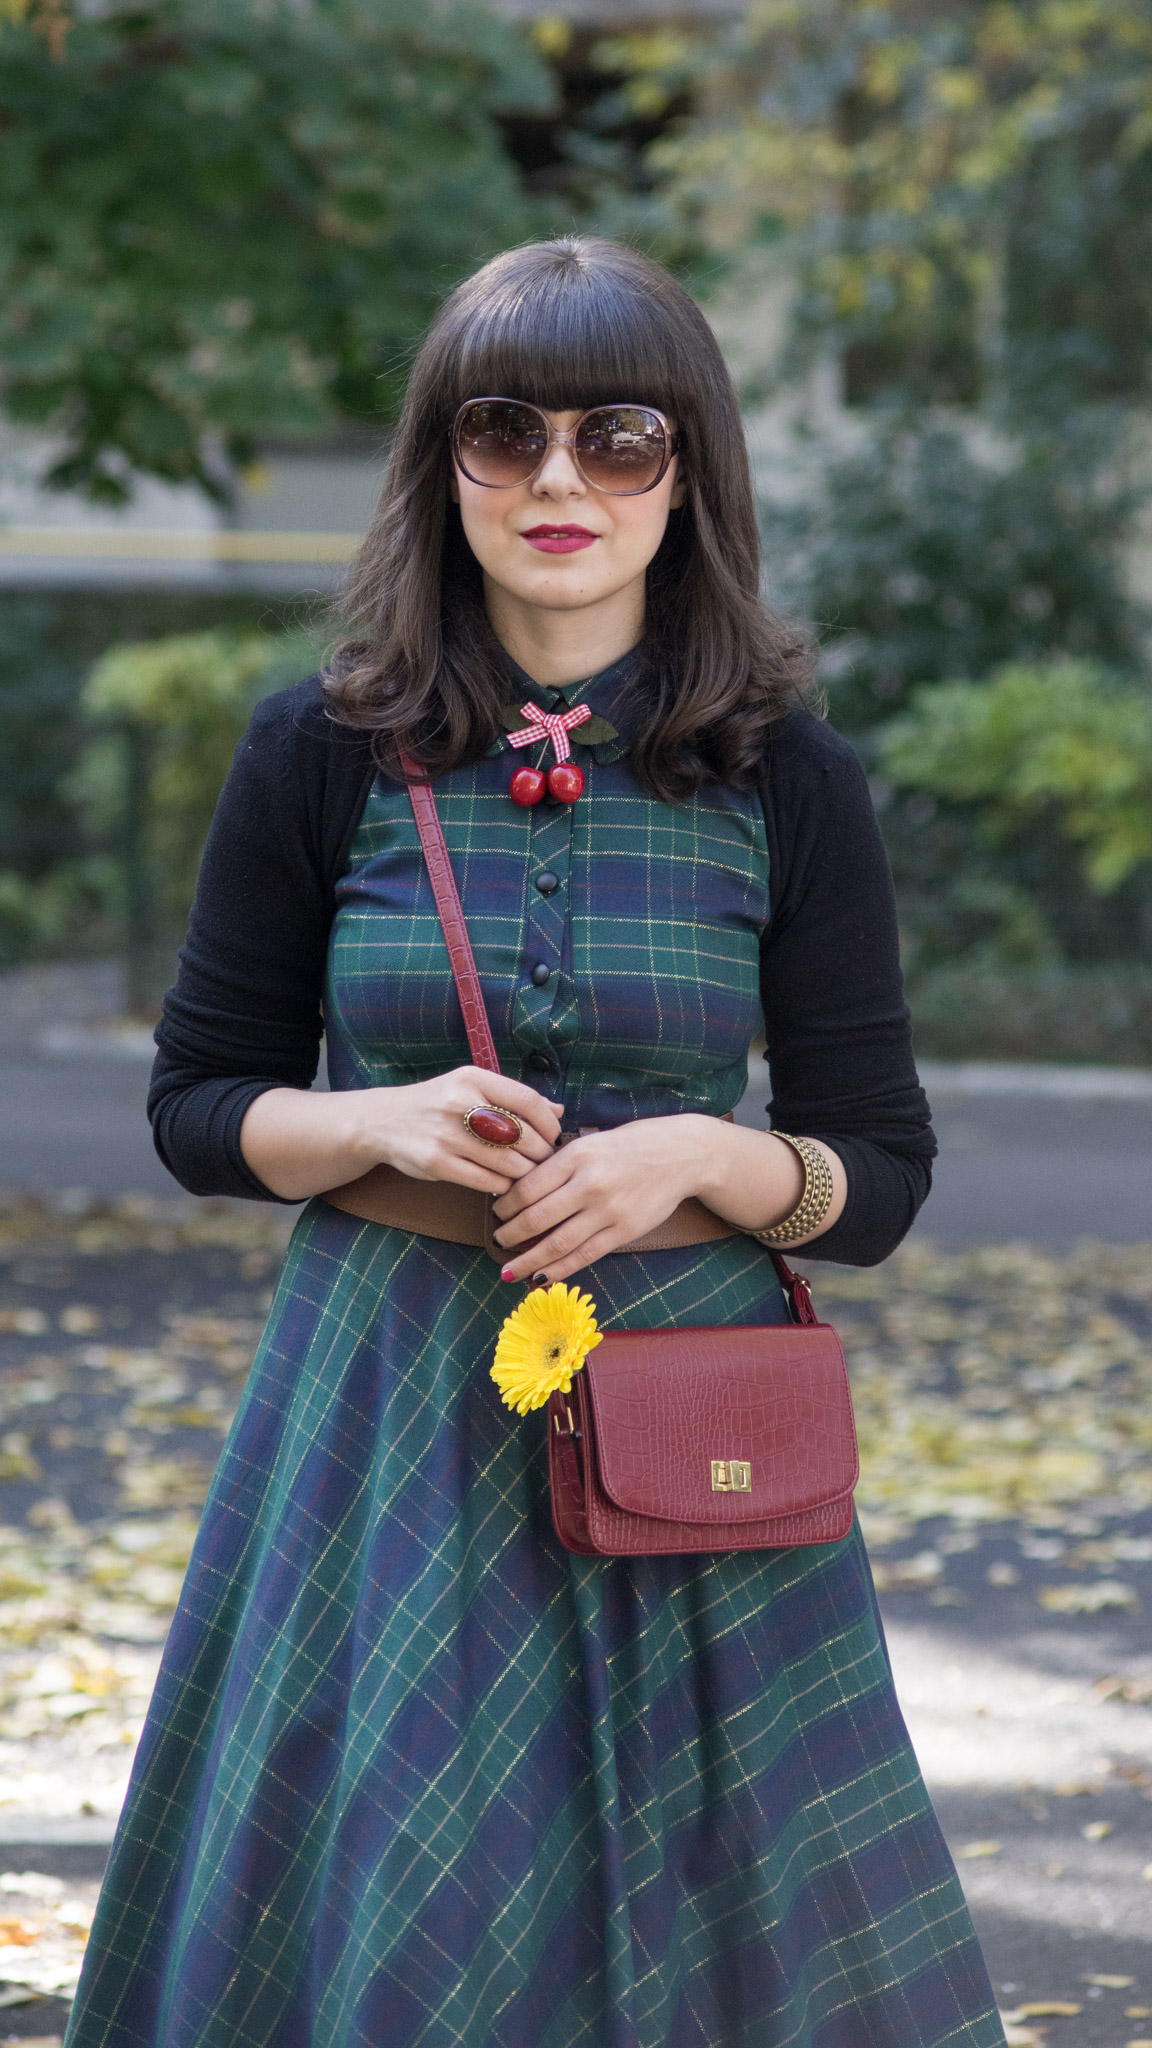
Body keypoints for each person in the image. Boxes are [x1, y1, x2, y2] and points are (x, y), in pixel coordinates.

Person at [65, 237, 1005, 2048]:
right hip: (384, 1400)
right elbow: (196, 1107)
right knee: (409, 1878)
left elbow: (876, 1169)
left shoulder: (785, 774)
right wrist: (370, 1117)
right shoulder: (321, 750)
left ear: (691, 472)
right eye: (506, 431)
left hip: (694, 1407)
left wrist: (705, 1165)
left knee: (712, 1898)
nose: (560, 478)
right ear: (444, 468)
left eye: (620, 433)